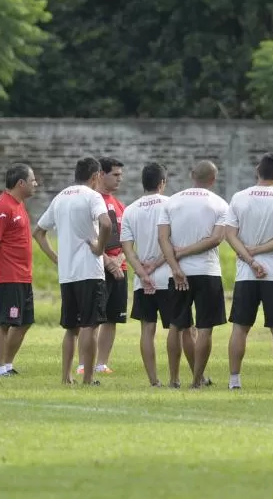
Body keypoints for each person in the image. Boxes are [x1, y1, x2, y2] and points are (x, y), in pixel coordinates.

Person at [32, 157, 112, 386]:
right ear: (96, 176)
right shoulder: (92, 196)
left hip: (67, 273)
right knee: (90, 325)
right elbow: (106, 224)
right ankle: (88, 378)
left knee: (71, 328)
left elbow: (38, 232)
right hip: (89, 270)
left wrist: (56, 258)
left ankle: (66, 376)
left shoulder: (61, 197)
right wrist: (99, 248)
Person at [225, 153, 273, 391]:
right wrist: (260, 251)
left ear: (258, 171)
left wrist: (250, 258)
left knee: (240, 327)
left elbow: (230, 235)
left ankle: (234, 380)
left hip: (246, 274)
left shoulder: (239, 197)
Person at [157, 160, 229, 389]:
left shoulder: (172, 201)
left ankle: (173, 379)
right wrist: (187, 252)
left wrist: (176, 267)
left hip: (179, 273)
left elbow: (163, 239)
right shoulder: (220, 204)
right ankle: (197, 380)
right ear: (213, 179)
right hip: (207, 272)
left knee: (177, 326)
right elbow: (216, 239)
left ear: (191, 175)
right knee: (205, 327)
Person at [121, 163, 188, 387]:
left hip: (143, 282)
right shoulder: (172, 205)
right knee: (178, 329)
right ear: (162, 183)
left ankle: (153, 380)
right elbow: (172, 242)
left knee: (147, 329)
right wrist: (156, 265)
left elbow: (127, 249)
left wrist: (142, 272)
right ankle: (175, 379)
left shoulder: (130, 210)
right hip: (168, 276)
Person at [0, 164, 38, 378]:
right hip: (8, 275)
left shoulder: (19, 205)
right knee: (4, 322)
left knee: (24, 322)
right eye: (33, 179)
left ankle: (7, 364)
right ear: (21, 183)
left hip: (23, 275)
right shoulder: (1, 207)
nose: (36, 183)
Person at [80, 156, 126, 376]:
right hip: (97, 268)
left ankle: (101, 363)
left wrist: (119, 261)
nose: (120, 179)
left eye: (120, 175)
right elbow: (89, 235)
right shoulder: (91, 200)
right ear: (101, 175)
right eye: (115, 175)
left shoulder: (119, 205)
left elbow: (128, 238)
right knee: (92, 319)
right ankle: (83, 364)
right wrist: (108, 261)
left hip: (120, 268)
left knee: (112, 318)